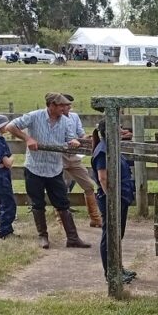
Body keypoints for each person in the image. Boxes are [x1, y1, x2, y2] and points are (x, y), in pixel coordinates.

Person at [3, 93, 91, 250]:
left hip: (54, 168)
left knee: (63, 203)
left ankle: (72, 238)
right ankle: (42, 236)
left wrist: (73, 142)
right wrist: (27, 138)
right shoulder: (35, 116)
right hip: (34, 168)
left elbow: (70, 138)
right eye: (61, 106)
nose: (65, 108)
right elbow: (10, 126)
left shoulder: (66, 121)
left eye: (66, 106)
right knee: (38, 203)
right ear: (51, 105)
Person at [90, 119, 138, 282]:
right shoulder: (103, 150)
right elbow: (103, 178)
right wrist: (112, 200)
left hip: (121, 197)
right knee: (110, 235)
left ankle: (117, 268)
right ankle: (111, 273)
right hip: (111, 199)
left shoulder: (111, 147)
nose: (121, 131)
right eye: (118, 128)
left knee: (117, 235)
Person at [59, 93, 102, 228]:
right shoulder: (55, 120)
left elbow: (80, 133)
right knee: (60, 188)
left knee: (89, 185)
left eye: (69, 105)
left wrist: (86, 137)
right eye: (67, 105)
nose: (69, 107)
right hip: (59, 157)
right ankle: (60, 220)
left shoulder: (74, 117)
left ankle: (95, 218)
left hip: (74, 158)